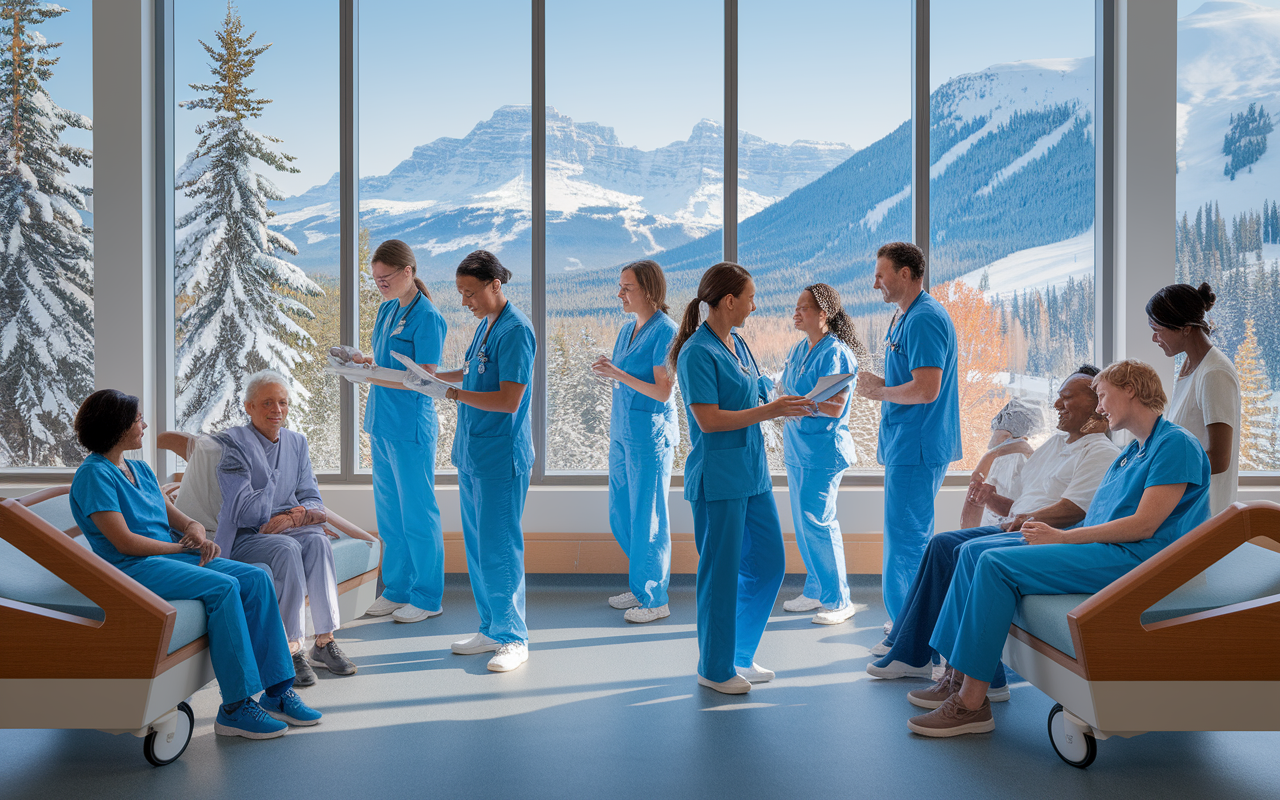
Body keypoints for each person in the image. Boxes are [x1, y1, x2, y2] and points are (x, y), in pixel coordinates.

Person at [907, 360, 1210, 737]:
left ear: (1130, 389)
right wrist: (1049, 532)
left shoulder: (1175, 444)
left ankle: (971, 704)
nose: (1100, 408)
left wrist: (1063, 537)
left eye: (1102, 395)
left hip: (1141, 559)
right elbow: (1100, 516)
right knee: (976, 553)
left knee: (995, 565)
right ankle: (958, 681)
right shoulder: (1133, 452)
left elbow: (1145, 525)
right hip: (1111, 548)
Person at [68, 390, 320, 739]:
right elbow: (123, 541)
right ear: (116, 425)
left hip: (168, 557)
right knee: (224, 586)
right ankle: (235, 707)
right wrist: (179, 547)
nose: (144, 425)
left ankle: (277, 693)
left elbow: (178, 518)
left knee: (258, 578)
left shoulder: (139, 468)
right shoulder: (93, 475)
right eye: (138, 419)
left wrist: (195, 531)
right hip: (133, 567)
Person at [866, 367, 1118, 686]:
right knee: (941, 545)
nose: (1057, 405)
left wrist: (1024, 520)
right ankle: (910, 653)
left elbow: (1072, 511)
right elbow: (1023, 505)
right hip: (1019, 527)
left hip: (1041, 538)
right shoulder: (1055, 446)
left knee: (965, 553)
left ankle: (979, 679)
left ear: (1097, 404)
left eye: (1067, 398)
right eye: (1057, 397)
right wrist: (993, 500)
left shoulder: (1101, 452)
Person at [671, 262, 813, 694]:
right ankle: (714, 668)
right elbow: (709, 420)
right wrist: (771, 411)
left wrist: (779, 395)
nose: (755, 305)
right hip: (718, 478)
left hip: (752, 474)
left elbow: (752, 388)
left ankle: (738, 654)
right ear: (729, 301)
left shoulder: (737, 343)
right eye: (750, 297)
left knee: (769, 563)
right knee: (720, 574)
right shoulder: (698, 352)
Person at [209, 370, 357, 686]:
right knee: (288, 547)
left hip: (291, 525)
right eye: (267, 403)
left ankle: (323, 642)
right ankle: (289, 650)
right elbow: (244, 511)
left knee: (317, 543)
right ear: (249, 407)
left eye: (283, 403)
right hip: (248, 535)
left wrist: (296, 518)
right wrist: (274, 480)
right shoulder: (233, 446)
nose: (277, 410)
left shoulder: (297, 443)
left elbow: (312, 498)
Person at [431, 250, 536, 673]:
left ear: (496, 285)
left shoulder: (515, 331)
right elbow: (475, 370)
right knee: (477, 548)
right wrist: (436, 378)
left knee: (500, 549)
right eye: (460, 293)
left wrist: (452, 394)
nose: (465, 302)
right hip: (473, 455)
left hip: (500, 458)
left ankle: (514, 638)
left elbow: (509, 400)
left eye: (470, 292)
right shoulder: (487, 325)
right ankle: (492, 627)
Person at [855, 242, 962, 642]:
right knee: (906, 536)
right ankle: (909, 623)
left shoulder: (924, 319)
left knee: (908, 540)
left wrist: (878, 391)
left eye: (881, 274)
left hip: (918, 444)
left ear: (905, 273)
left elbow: (926, 389)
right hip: (909, 443)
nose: (875, 283)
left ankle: (913, 635)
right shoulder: (904, 318)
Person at [354, 239, 449, 624]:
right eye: (375, 278)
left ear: (408, 271)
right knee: (390, 513)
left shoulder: (428, 317)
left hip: (410, 427)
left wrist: (373, 374)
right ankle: (396, 589)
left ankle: (428, 596)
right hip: (382, 423)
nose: (380, 284)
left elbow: (424, 377)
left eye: (386, 277)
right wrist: (364, 363)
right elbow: (386, 362)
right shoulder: (386, 309)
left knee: (418, 513)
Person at [591, 260, 679, 623]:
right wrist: (610, 371)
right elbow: (625, 378)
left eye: (627, 287)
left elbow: (662, 391)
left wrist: (618, 373)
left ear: (650, 290)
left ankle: (655, 599)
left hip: (650, 436)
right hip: (624, 432)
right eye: (620, 286)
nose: (620, 294)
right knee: (622, 514)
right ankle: (642, 584)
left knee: (650, 518)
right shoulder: (627, 330)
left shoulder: (666, 332)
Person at [777, 283, 864, 625]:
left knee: (819, 522)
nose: (796, 313)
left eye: (803, 308)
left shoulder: (836, 353)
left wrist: (800, 406)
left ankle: (839, 599)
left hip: (823, 451)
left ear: (823, 315)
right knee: (803, 524)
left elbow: (836, 405)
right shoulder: (801, 349)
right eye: (795, 307)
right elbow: (786, 388)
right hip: (799, 448)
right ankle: (816, 590)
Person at [1148, 282, 1240, 515]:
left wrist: (1159, 470)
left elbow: (1219, 459)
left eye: (1158, 329)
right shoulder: (1190, 366)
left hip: (1204, 511)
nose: (1154, 338)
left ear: (1185, 328)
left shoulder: (1214, 373)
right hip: (1186, 503)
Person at [958, 397, 1040, 530]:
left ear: (1007, 436)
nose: (990, 440)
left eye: (995, 431)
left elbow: (1012, 512)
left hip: (1003, 528)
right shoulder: (1001, 458)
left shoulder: (1012, 460)